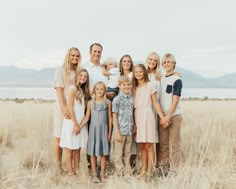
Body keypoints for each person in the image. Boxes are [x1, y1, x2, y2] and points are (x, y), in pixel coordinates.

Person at [132, 64, 167, 179]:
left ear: (144, 73)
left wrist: (162, 117)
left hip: (148, 115)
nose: (138, 74)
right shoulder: (134, 87)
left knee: (149, 144)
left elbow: (155, 103)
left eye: (140, 72)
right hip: (138, 116)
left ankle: (151, 171)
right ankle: (144, 169)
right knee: (141, 145)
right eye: (136, 72)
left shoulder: (150, 85)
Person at [53, 47, 81, 174]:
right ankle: (58, 167)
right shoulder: (60, 70)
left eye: (77, 56)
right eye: (72, 55)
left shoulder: (78, 71)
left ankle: (71, 167)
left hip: (74, 108)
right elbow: (59, 90)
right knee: (59, 136)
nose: (75, 58)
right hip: (62, 107)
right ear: (68, 56)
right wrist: (64, 107)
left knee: (70, 137)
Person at [79, 81, 112, 183]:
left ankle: (102, 173)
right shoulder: (90, 103)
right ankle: (94, 174)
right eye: (97, 89)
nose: (99, 91)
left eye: (101, 89)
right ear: (94, 90)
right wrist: (79, 126)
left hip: (104, 130)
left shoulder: (108, 103)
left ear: (105, 91)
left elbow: (110, 118)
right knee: (93, 153)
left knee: (103, 153)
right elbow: (87, 117)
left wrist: (109, 132)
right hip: (93, 131)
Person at [59, 69, 90, 177]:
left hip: (80, 123)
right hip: (71, 122)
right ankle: (70, 171)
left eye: (85, 76)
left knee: (77, 147)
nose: (83, 78)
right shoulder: (72, 89)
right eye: (81, 75)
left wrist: (80, 125)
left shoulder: (82, 90)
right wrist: (75, 124)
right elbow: (70, 108)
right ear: (77, 76)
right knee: (69, 147)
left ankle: (76, 169)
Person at [159, 53, 183, 174]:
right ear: (162, 64)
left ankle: (174, 170)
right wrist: (163, 117)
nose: (167, 64)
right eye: (165, 62)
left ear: (174, 64)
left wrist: (168, 117)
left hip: (173, 116)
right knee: (163, 144)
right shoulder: (161, 79)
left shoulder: (177, 79)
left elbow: (175, 99)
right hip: (162, 116)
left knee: (174, 144)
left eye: (169, 62)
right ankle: (165, 169)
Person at [112, 75, 135, 176]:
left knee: (127, 152)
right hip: (120, 131)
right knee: (118, 153)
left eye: (128, 84)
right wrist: (116, 131)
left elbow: (131, 113)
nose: (126, 86)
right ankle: (120, 171)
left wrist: (134, 125)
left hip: (129, 130)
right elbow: (114, 116)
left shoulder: (131, 98)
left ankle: (127, 170)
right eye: (124, 85)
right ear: (119, 86)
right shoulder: (116, 100)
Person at [145, 52, 162, 168]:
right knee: (147, 139)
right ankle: (147, 164)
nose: (152, 62)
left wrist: (176, 73)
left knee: (159, 139)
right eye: (150, 59)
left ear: (157, 63)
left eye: (155, 60)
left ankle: (158, 164)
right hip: (146, 110)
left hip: (157, 109)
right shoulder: (143, 74)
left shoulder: (160, 76)